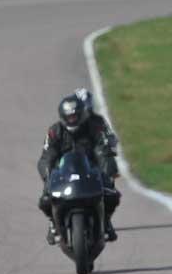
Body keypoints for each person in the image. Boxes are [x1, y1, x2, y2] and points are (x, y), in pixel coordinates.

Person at [38, 88, 121, 245]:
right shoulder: (55, 131)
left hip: (90, 172)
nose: (72, 120)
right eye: (69, 117)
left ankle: (106, 220)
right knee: (44, 200)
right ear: (63, 117)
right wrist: (47, 172)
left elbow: (102, 149)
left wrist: (107, 169)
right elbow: (46, 156)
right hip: (63, 174)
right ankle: (53, 223)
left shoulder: (94, 126)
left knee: (112, 195)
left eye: (75, 116)